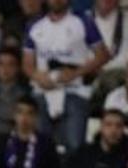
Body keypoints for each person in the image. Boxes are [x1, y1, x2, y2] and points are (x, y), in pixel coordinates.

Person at [22, 0, 109, 153]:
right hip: (44, 90)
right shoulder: (34, 25)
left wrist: (75, 73)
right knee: (40, 145)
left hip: (75, 90)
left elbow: (102, 55)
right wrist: (38, 77)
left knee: (75, 146)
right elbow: (27, 64)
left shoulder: (83, 21)